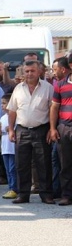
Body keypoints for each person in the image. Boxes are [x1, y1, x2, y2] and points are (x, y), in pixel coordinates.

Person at [8, 60, 54, 204]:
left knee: (43, 163)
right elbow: (12, 110)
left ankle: (45, 194)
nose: (29, 74)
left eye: (32, 71)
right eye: (26, 71)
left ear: (39, 71)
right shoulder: (18, 89)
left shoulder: (48, 88)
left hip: (42, 129)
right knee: (22, 164)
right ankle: (23, 194)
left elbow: (53, 110)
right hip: (22, 130)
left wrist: (52, 129)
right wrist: (10, 129)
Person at [49, 61, 72, 206]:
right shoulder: (60, 84)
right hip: (65, 128)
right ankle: (67, 195)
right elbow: (54, 107)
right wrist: (52, 128)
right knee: (65, 163)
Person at [0, 94, 17, 199]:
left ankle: (15, 188)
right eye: (2, 103)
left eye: (4, 103)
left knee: (13, 168)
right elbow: (1, 132)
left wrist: (9, 129)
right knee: (8, 169)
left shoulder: (15, 117)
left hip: (13, 148)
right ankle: (10, 188)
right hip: (5, 148)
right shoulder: (3, 117)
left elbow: (14, 129)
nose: (2, 106)